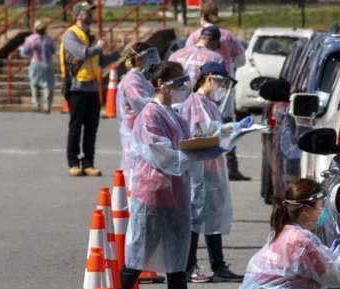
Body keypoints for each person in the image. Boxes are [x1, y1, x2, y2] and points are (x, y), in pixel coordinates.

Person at [119, 61, 206, 289]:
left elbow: (186, 144)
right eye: (178, 83)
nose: (183, 88)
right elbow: (161, 153)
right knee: (136, 258)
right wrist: (189, 155)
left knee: (177, 262)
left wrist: (204, 145)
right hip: (152, 194)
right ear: (163, 85)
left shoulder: (175, 116)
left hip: (176, 196)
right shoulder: (150, 115)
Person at [180, 62, 244, 284]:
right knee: (196, 217)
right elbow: (202, 133)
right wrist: (227, 131)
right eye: (220, 81)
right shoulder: (196, 103)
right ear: (209, 78)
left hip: (212, 166)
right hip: (200, 168)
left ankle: (218, 264)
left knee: (213, 216)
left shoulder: (208, 103)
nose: (222, 87)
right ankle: (188, 266)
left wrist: (234, 130)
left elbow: (215, 130)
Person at [185, 1, 249, 181]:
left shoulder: (193, 37)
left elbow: (185, 59)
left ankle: (199, 165)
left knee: (197, 126)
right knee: (226, 124)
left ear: (201, 16)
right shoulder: (228, 36)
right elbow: (241, 60)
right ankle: (230, 166)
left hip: (196, 90)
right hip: (223, 89)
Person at [61, 1, 122, 177]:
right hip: (76, 89)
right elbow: (82, 53)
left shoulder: (92, 37)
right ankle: (73, 162)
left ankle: (88, 162)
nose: (91, 15)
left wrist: (118, 52)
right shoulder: (70, 35)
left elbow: (101, 61)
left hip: (92, 89)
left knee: (91, 128)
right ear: (79, 15)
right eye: (88, 12)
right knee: (75, 127)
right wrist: (98, 47)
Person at [116, 42, 159, 185]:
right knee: (134, 178)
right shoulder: (132, 81)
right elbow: (142, 104)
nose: (151, 60)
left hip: (139, 133)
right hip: (134, 134)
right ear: (140, 59)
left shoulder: (140, 78)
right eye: (148, 57)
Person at [169, 25, 225, 92]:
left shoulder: (176, 54)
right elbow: (219, 86)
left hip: (175, 98)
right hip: (199, 99)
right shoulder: (217, 58)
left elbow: (168, 77)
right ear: (214, 42)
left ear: (199, 39)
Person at [18, 20, 56, 113]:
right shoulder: (49, 40)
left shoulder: (31, 39)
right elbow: (54, 50)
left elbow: (24, 52)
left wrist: (22, 50)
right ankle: (47, 106)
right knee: (48, 85)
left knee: (34, 84)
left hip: (36, 62)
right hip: (48, 63)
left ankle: (36, 104)